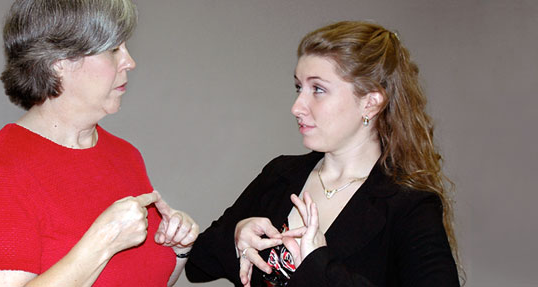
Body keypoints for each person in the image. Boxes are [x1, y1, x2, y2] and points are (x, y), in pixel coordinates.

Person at [185, 21, 462, 286]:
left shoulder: (409, 206)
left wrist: (319, 264)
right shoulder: (280, 174)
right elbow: (198, 264)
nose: (297, 106)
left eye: (318, 89)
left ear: (370, 102)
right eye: (298, 87)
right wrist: (237, 237)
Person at [0, 0, 198, 286]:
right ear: (58, 62)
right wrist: (102, 242)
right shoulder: (3, 170)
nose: (130, 62)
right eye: (113, 50)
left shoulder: (125, 156)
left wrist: (177, 249)